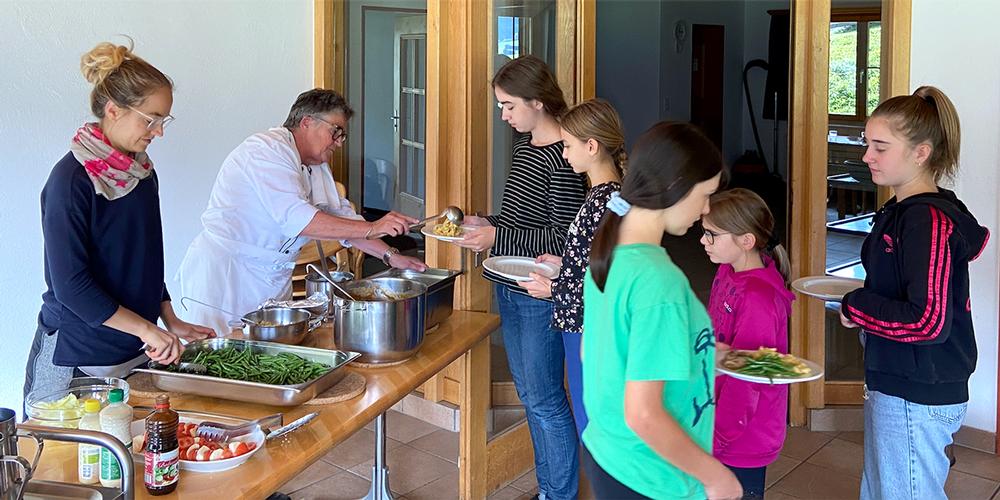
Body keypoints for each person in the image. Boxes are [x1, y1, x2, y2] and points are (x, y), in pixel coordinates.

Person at [24, 40, 214, 401]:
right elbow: (71, 287)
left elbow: (143, 262)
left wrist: (170, 320)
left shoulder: (141, 173)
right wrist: (147, 330)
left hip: (133, 350)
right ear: (113, 110)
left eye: (163, 120)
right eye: (151, 119)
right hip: (78, 355)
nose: (158, 131)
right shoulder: (71, 181)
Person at [839, 86, 989, 500]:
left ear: (921, 153)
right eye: (867, 143)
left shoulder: (926, 221)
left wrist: (856, 305)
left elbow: (927, 322)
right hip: (897, 379)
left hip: (916, 390)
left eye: (880, 147)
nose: (867, 156)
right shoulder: (903, 211)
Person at [176, 89, 425, 335]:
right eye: (336, 131)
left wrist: (391, 256)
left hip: (272, 278)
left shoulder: (316, 165)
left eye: (342, 135)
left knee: (270, 354)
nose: (339, 142)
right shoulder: (266, 150)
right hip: (227, 275)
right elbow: (298, 220)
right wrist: (373, 226)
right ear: (307, 122)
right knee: (217, 354)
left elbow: (344, 223)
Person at [581, 121, 742, 500]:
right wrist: (716, 477)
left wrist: (698, 352)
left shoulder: (608, 253)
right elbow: (643, 414)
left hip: (609, 453)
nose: (706, 209)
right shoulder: (659, 281)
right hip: (652, 474)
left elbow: (597, 351)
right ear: (676, 185)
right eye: (705, 195)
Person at [457, 55, 588, 500]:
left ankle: (558, 493)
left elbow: (565, 239)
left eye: (509, 105)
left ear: (538, 101)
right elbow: (521, 221)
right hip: (511, 282)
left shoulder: (563, 157)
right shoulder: (525, 146)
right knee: (533, 396)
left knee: (545, 399)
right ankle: (551, 489)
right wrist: (487, 224)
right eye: (501, 105)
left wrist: (498, 235)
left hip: (539, 291)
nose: (503, 115)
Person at [520, 98, 626, 437]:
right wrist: (566, 262)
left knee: (594, 423)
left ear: (591, 146)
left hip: (590, 330)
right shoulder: (605, 196)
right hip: (584, 327)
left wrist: (553, 288)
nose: (563, 154)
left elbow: (610, 281)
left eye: (567, 145)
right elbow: (597, 260)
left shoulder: (607, 203)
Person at [700, 188, 795, 499]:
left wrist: (716, 437)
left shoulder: (758, 298)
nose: (703, 241)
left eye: (712, 234)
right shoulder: (727, 271)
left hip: (741, 438)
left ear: (746, 240)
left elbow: (748, 380)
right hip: (716, 422)